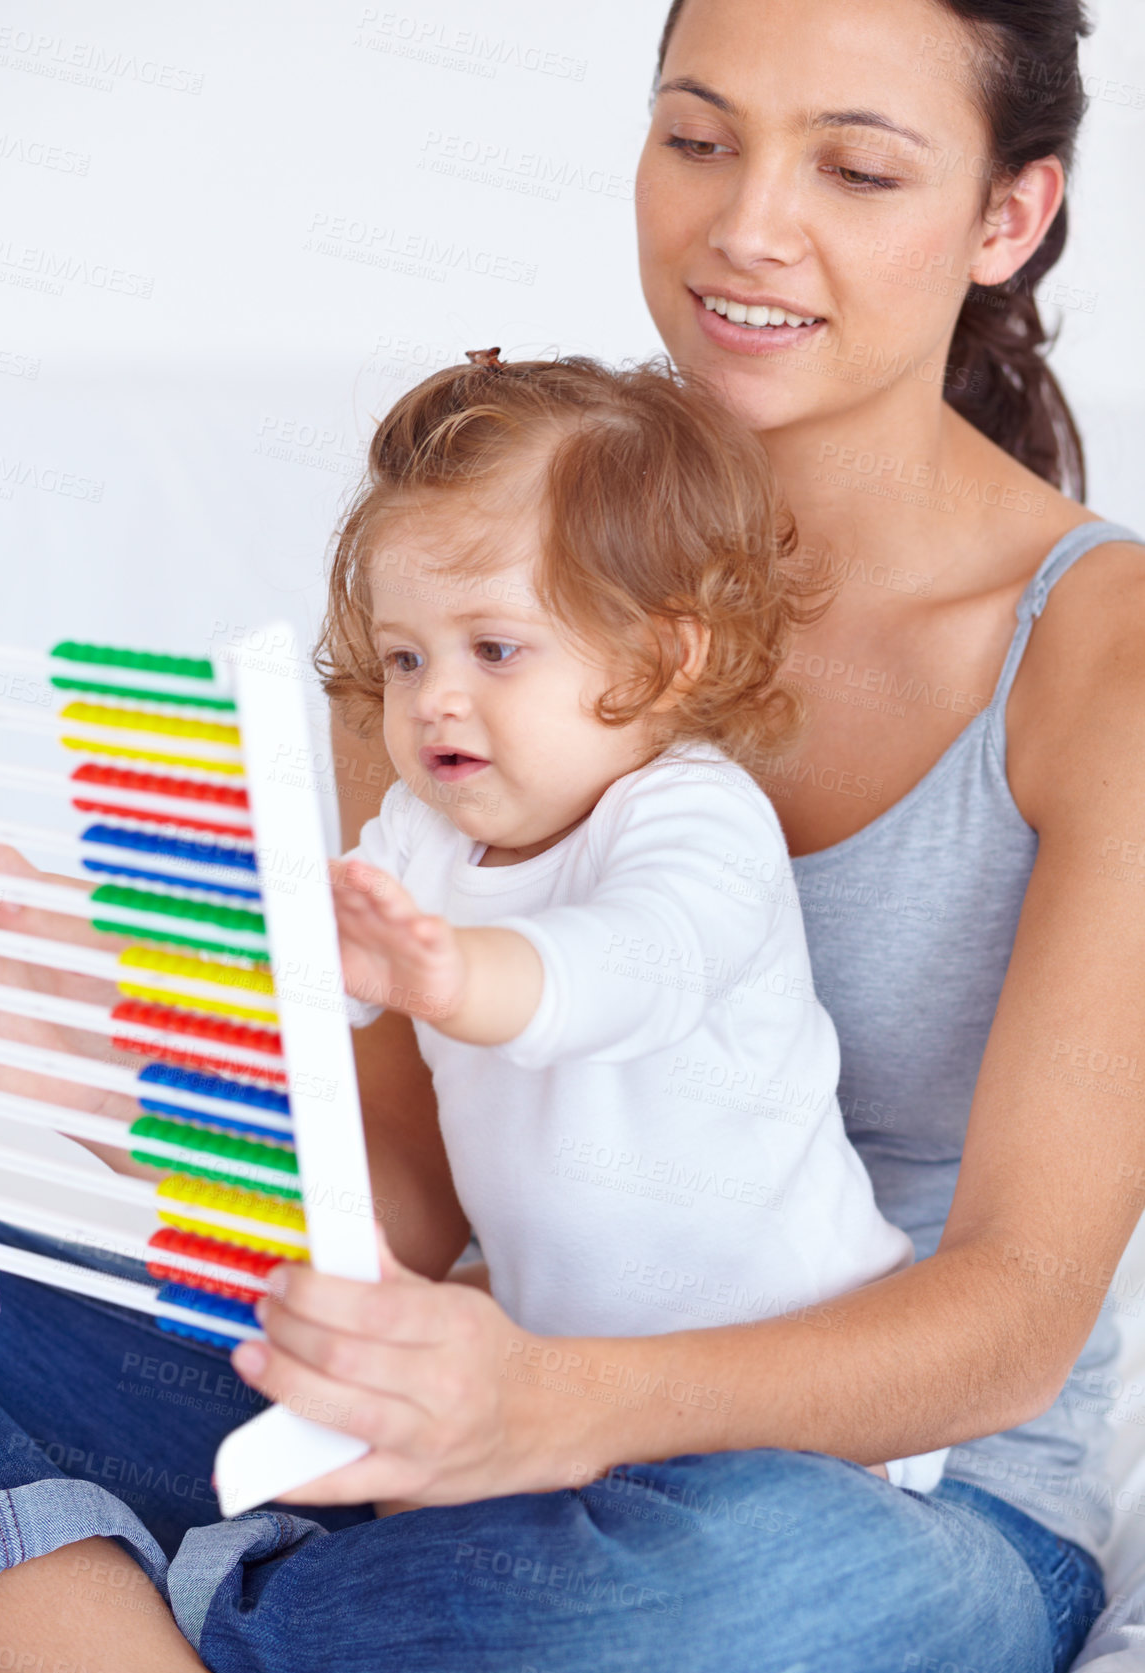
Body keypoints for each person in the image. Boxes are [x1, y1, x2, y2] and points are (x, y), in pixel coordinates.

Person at [0, 0, 1140, 1672]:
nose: (746, 224)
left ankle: (158, 1605)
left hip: (886, 1501)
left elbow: (1020, 1316)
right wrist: (104, 1076)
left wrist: (550, 1407)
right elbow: (402, 1183)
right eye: (699, 135)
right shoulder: (481, 551)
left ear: (1008, 217)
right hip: (488, 1404)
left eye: (858, 168)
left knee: (731, 1581)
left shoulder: (1101, 652)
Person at [314, 349, 949, 1495]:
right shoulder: (421, 833)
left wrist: (449, 974)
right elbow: (311, 994)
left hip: (799, 1420)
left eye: (494, 648)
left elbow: (634, 967)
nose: (432, 697)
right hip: (570, 1404)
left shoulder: (697, 813)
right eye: (405, 656)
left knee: (674, 1569)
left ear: (666, 654)